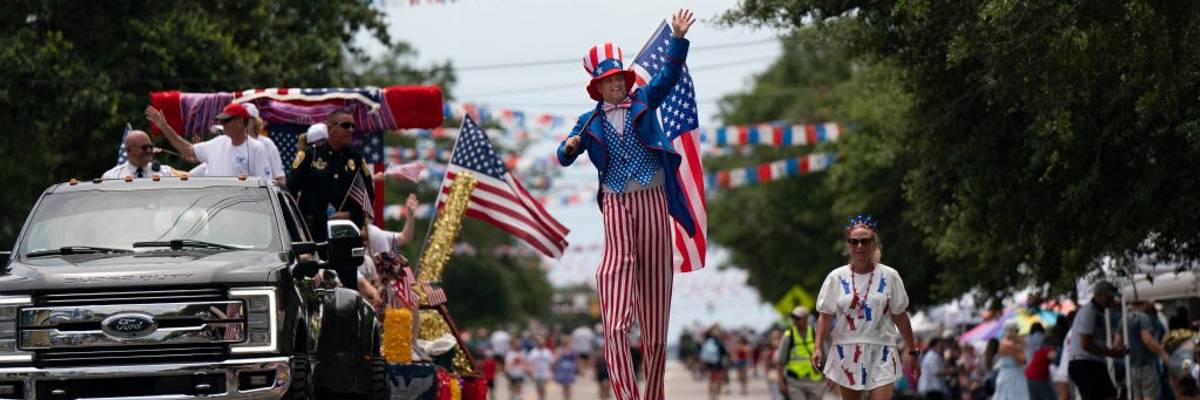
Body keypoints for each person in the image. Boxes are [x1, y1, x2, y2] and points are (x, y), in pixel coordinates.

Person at [555, 9, 697, 400]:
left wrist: (678, 40)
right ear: (597, 88)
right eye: (608, 81)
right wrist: (567, 148)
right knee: (616, 313)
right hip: (617, 201)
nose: (615, 85)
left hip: (652, 197)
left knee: (654, 325)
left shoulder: (644, 101)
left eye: (619, 78)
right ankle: (625, 394)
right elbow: (564, 153)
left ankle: (652, 395)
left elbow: (668, 78)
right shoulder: (589, 121)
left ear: (625, 80)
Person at [811, 215, 919, 400]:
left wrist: (912, 350)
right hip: (847, 350)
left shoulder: (890, 276)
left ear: (873, 244)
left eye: (865, 241)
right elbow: (825, 315)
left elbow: (900, 316)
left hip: (882, 350)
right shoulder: (836, 277)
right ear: (849, 245)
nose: (859, 246)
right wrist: (818, 347)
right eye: (854, 242)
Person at [287, 110, 374, 290]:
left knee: (349, 286)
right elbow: (289, 191)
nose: (350, 130)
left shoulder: (355, 157)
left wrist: (350, 214)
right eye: (345, 125)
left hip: (345, 233)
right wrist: (297, 230)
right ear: (330, 128)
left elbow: (368, 194)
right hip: (314, 232)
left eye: (352, 126)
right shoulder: (311, 155)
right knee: (315, 285)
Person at [147, 103, 272, 178]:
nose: (222, 124)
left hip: (244, 212)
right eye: (221, 121)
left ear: (240, 121)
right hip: (216, 213)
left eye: (226, 120)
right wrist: (165, 128)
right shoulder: (218, 142)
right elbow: (187, 150)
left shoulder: (257, 148)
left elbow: (264, 183)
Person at [1067, 281, 1128, 400]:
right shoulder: (1089, 312)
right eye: (1108, 297)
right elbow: (1085, 344)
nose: (1111, 300)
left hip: (1092, 363)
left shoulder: (1098, 313)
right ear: (1098, 294)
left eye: (1112, 297)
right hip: (1084, 364)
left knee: (1111, 396)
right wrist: (1111, 353)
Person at [776, 306, 825, 400]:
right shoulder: (788, 336)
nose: (795, 321)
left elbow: (826, 356)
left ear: (806, 318)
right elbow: (780, 361)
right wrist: (781, 382)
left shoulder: (816, 334)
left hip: (814, 382)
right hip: (795, 382)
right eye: (793, 318)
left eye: (798, 318)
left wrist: (828, 378)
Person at [1127, 300, 1171, 400]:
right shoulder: (1148, 319)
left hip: (1133, 362)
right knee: (1150, 393)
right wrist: (1162, 353)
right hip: (1148, 361)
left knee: (1137, 394)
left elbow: (1117, 343)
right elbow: (1148, 339)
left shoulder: (1126, 319)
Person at [242, 103, 286, 186]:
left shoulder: (266, 143)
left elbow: (279, 177)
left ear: (255, 121)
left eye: (246, 119)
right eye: (238, 119)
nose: (242, 122)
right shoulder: (231, 144)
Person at [102, 130, 176, 179]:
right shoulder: (112, 176)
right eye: (144, 148)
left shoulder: (166, 173)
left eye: (150, 147)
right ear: (128, 150)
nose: (149, 150)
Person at [993, 322, 1029, 400]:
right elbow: (1022, 360)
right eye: (1016, 331)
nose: (1018, 333)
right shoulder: (1008, 344)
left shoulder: (1005, 343)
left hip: (1011, 374)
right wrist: (1021, 345)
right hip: (1011, 375)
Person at [1025, 332, 1058, 400]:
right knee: (1050, 397)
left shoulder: (1039, 351)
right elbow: (1055, 357)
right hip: (1038, 378)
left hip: (1029, 378)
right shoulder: (1048, 351)